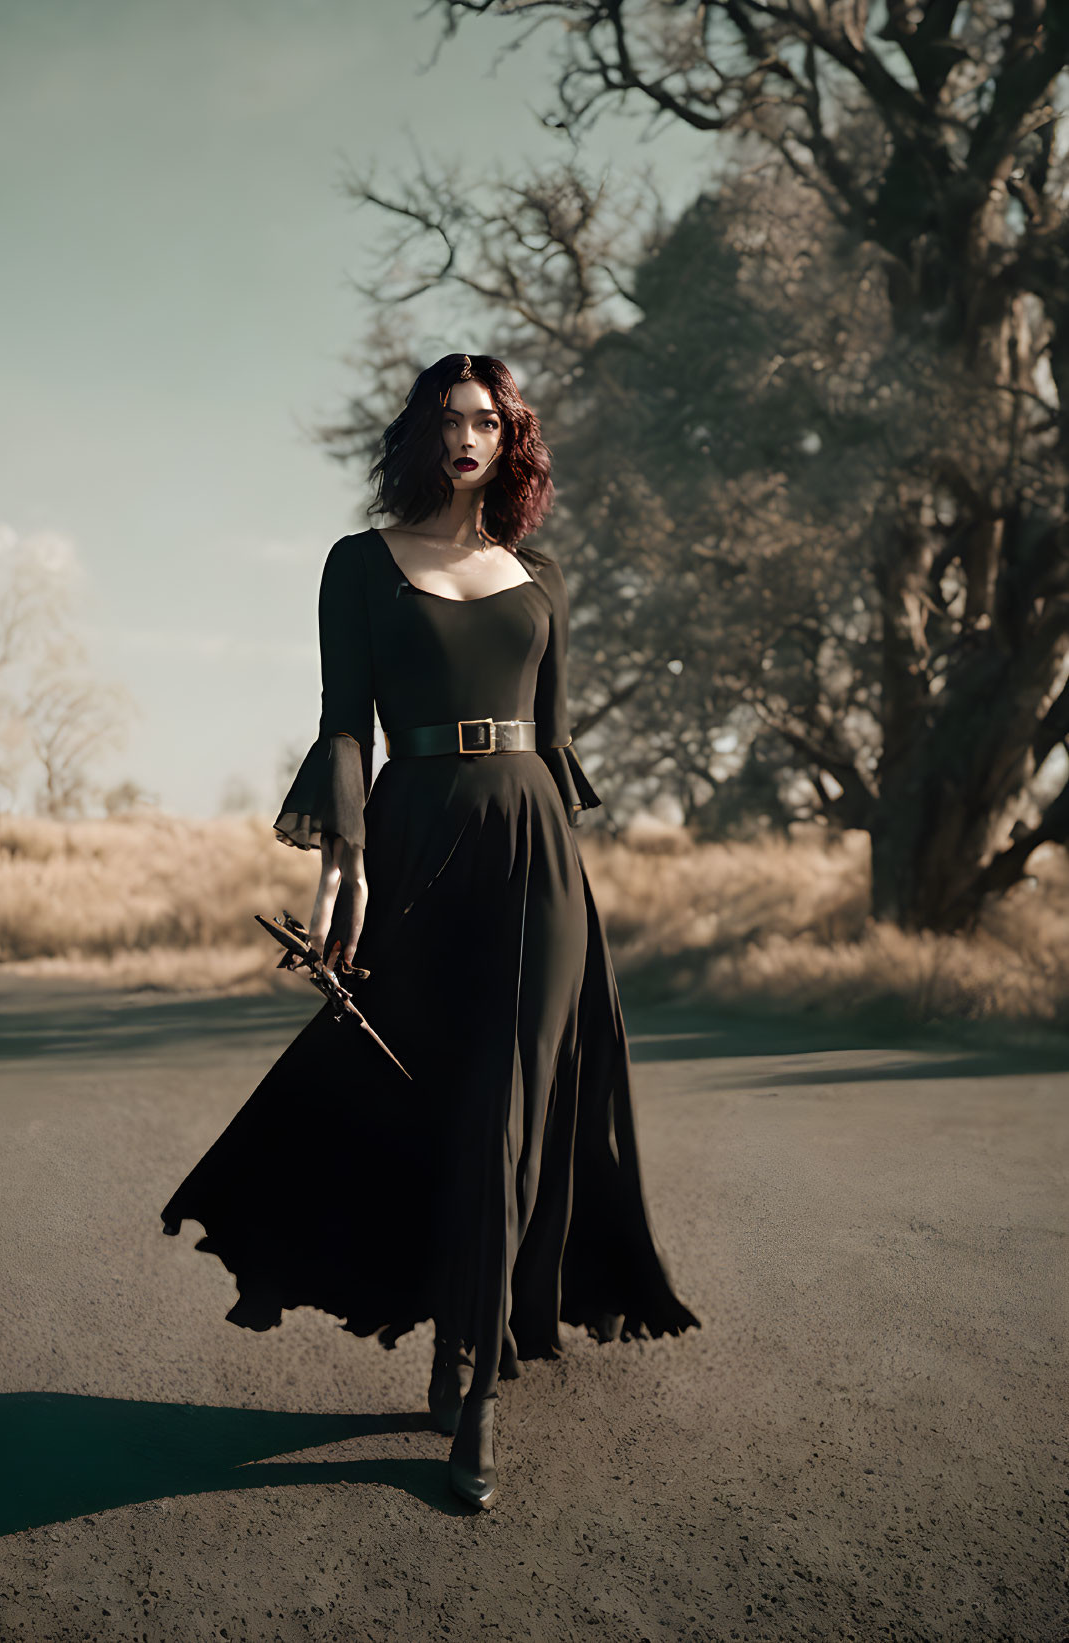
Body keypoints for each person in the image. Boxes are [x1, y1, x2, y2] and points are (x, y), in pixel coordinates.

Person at [160, 352, 700, 1511]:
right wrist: (338, 881)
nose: (467, 438)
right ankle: (458, 1330)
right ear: (420, 433)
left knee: (510, 1109)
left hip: (537, 855)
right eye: (449, 419)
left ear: (512, 443)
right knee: (433, 1099)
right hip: (414, 834)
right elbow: (343, 731)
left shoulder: (541, 578)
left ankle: (472, 1379)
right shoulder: (358, 565)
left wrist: (570, 872)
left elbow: (553, 747)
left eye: (488, 422)